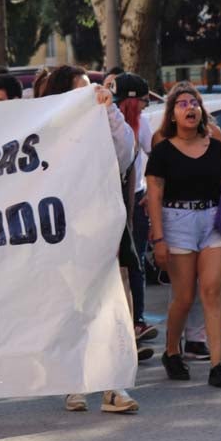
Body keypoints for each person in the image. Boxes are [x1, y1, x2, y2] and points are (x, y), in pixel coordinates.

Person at [38, 65, 140, 414]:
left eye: (90, 88)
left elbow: (126, 154)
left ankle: (113, 385)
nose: (90, 93)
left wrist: (109, 109)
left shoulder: (103, 119)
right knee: (74, 305)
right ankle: (74, 381)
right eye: (81, 89)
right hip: (61, 228)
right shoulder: (43, 130)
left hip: (102, 224)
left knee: (109, 303)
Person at [146, 84, 221, 388]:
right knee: (184, 297)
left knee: (212, 291)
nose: (190, 108)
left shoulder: (215, 143)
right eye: (182, 103)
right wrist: (159, 239)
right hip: (177, 221)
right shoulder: (162, 148)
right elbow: (154, 194)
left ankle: (217, 364)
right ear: (172, 114)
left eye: (195, 103)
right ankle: (172, 351)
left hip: (213, 220)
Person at [111, 74, 156, 342]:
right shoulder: (106, 122)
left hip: (134, 199)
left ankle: (136, 319)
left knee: (134, 263)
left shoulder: (144, 125)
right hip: (109, 200)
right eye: (142, 102)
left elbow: (158, 157)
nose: (144, 108)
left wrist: (152, 191)